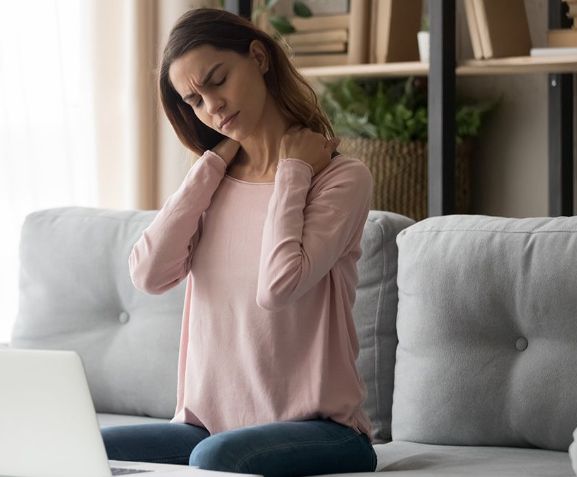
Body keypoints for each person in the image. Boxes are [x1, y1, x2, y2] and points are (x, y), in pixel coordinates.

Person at [104, 7, 376, 477]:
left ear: (258, 57)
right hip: (207, 429)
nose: (213, 107)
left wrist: (293, 172)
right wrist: (209, 167)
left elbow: (279, 286)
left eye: (217, 80)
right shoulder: (212, 183)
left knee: (214, 459)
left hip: (321, 431)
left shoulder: (339, 178)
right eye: (194, 101)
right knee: (78, 444)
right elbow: (148, 275)